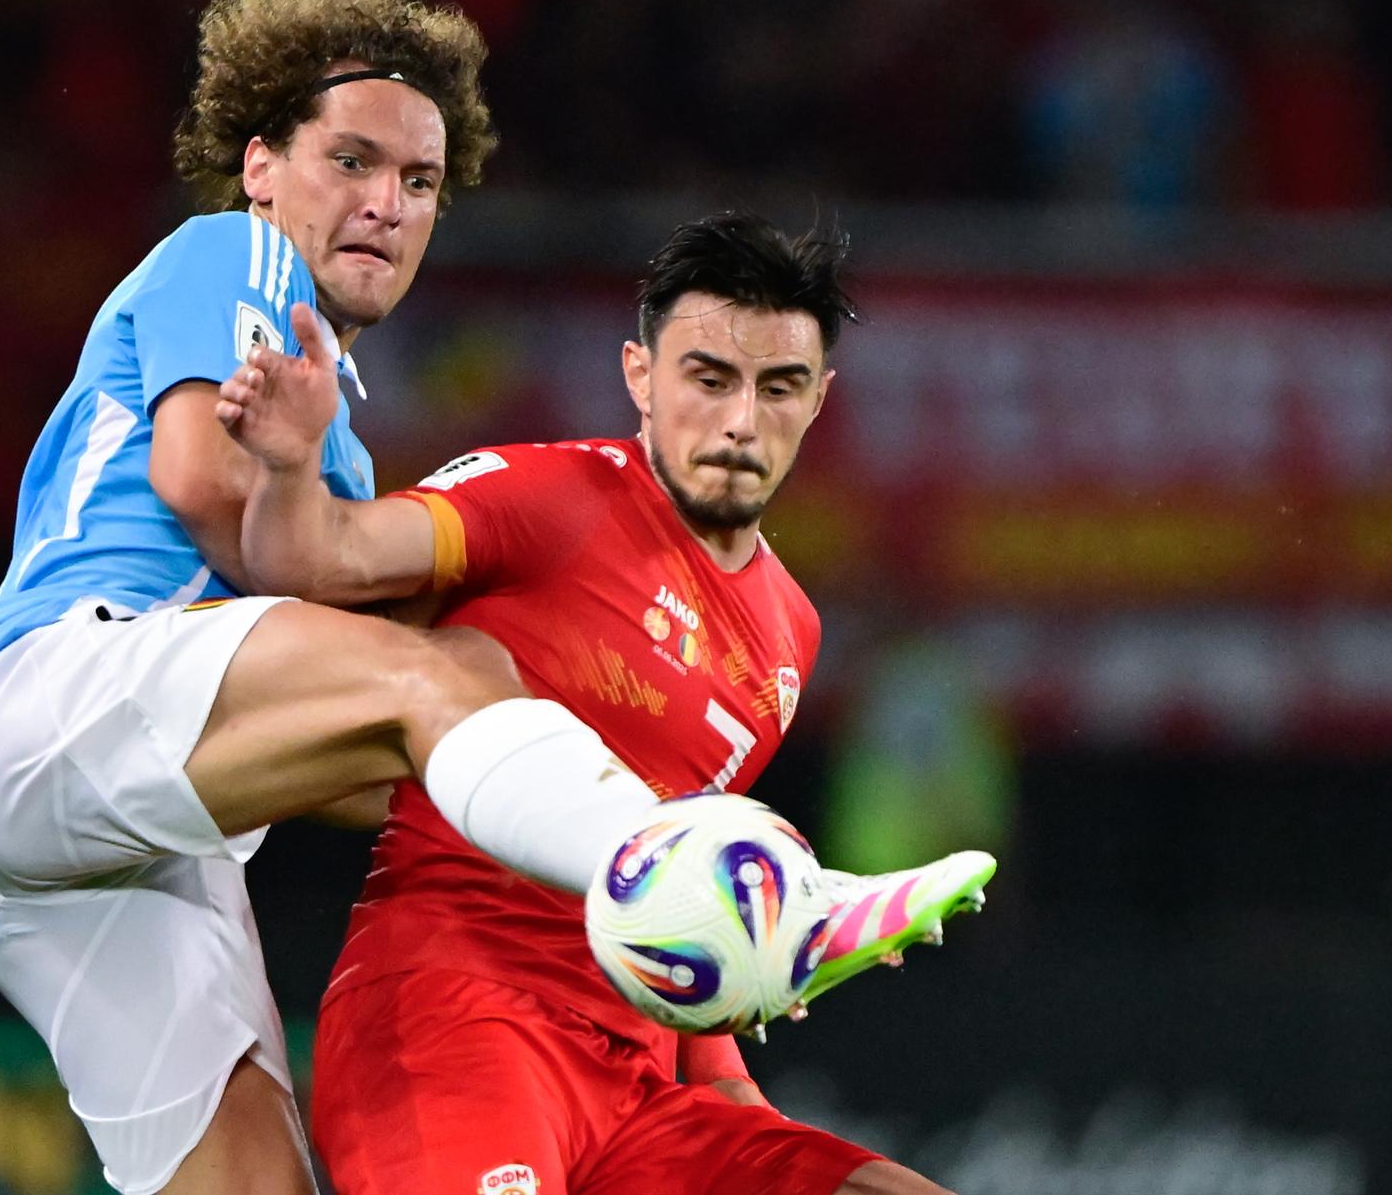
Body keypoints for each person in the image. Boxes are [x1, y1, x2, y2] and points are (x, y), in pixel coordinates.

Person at [0, 0, 790, 1195]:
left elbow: (381, 759)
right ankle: (680, 865)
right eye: (353, 161)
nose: (386, 205)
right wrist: (657, 861)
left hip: (131, 847)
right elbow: (197, 479)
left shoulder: (339, 460)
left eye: (421, 182)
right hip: (46, 698)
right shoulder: (233, 254)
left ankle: (663, 867)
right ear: (262, 163)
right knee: (421, 682)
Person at [216, 212, 995, 1195]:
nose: (741, 421)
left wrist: (742, 1109)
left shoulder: (791, 635)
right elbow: (316, 557)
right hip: (459, 1025)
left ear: (820, 399)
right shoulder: (551, 498)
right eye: (708, 379)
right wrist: (289, 466)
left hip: (635, 1082)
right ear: (639, 375)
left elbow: (673, 905)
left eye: (779, 386)